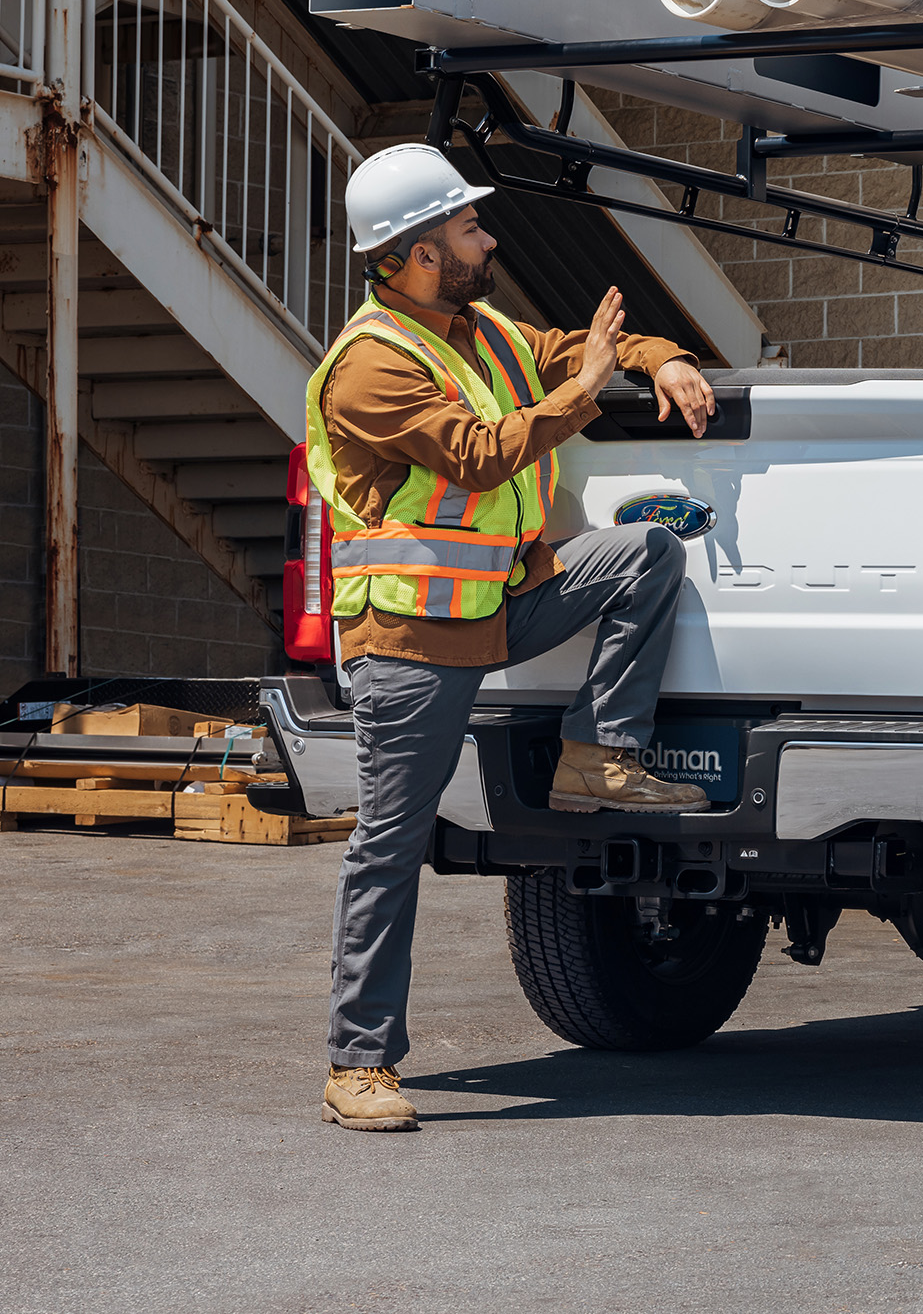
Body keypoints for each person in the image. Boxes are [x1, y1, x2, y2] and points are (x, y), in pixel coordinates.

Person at [307, 142, 719, 1131]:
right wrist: (583, 389)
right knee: (390, 846)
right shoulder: (369, 364)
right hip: (409, 641)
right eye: (468, 228)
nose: (487, 240)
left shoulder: (478, 330)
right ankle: (358, 1064)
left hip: (495, 608)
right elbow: (479, 454)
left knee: (644, 554)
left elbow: (569, 346)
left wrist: (661, 356)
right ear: (418, 254)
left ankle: (596, 755)